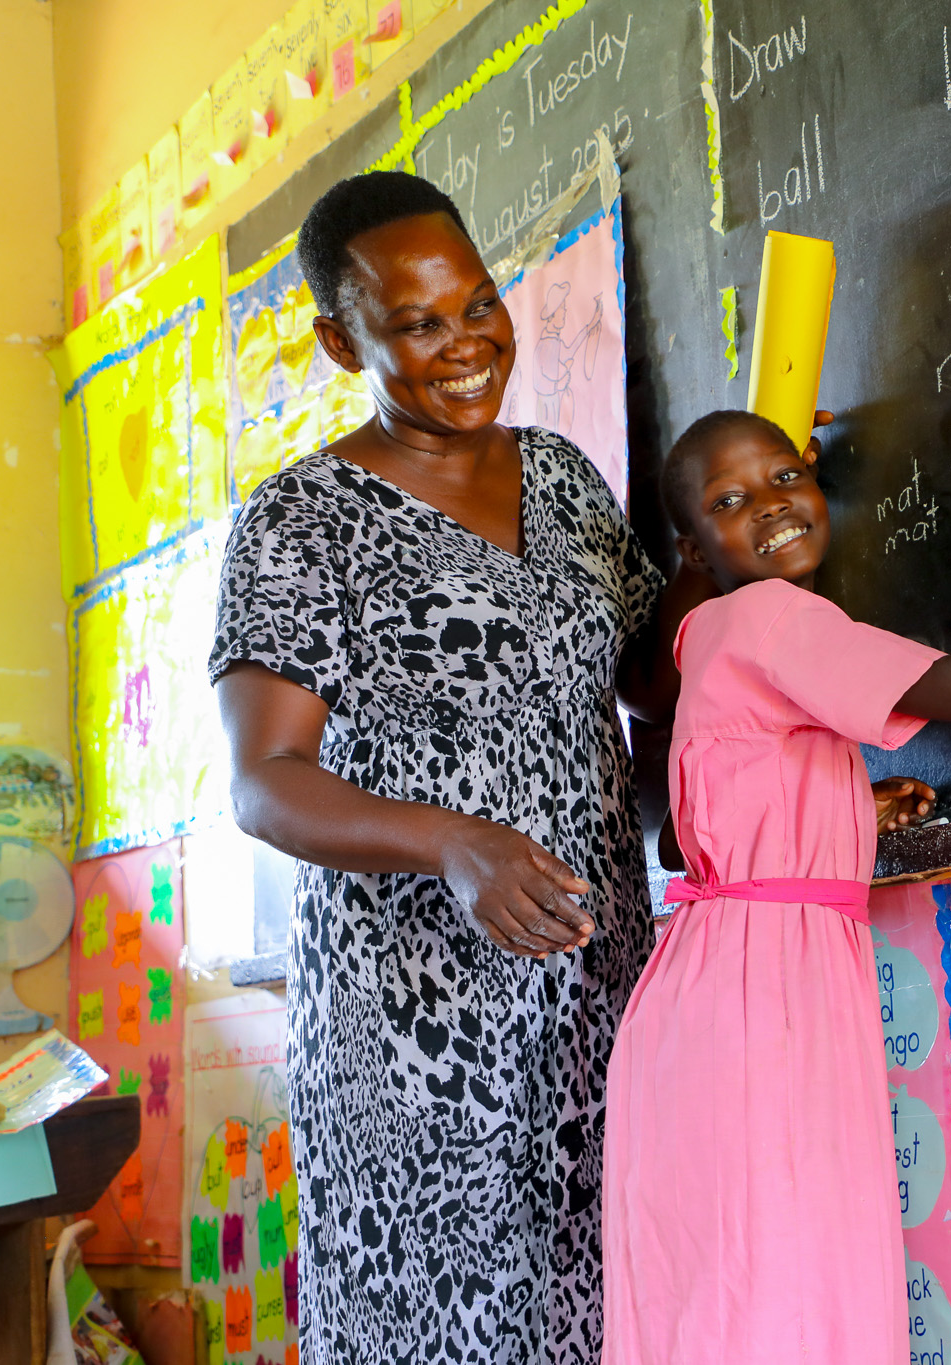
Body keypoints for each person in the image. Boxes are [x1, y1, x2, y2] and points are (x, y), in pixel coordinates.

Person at [210, 171, 664, 1363]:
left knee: (601, 1310)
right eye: (417, 324)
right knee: (440, 1329)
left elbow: (650, 678)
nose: (467, 344)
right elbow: (266, 778)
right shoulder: (301, 520)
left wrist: (748, 536)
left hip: (596, 994)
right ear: (339, 341)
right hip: (413, 1029)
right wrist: (451, 841)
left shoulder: (560, 477)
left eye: (476, 304)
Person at [601, 404, 951, 1361]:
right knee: (793, 1306)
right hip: (768, 1005)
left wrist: (843, 810)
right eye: (729, 501)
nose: (770, 504)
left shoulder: (708, 639)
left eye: (786, 476)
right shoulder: (773, 616)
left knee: (734, 1307)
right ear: (691, 551)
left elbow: (706, 835)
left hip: (712, 997)